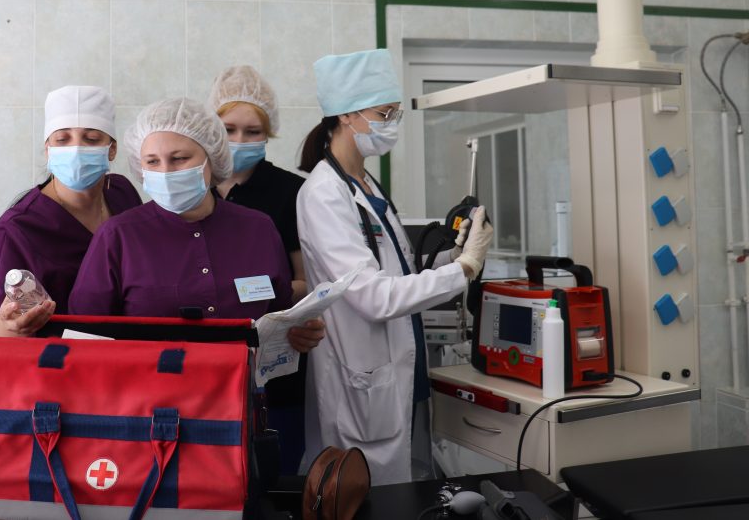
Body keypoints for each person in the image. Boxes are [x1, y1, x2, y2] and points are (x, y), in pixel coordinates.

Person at [296, 49, 493, 486]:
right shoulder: (324, 193)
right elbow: (373, 297)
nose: (392, 125)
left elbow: (397, 270)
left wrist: (455, 251)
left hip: (399, 369)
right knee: (366, 499)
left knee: (407, 491)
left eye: (395, 114)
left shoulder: (366, 184)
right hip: (361, 379)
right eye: (384, 114)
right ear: (346, 115)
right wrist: (464, 268)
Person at [68, 97, 324, 354]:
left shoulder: (258, 229)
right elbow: (85, 337)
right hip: (149, 380)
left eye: (179, 158)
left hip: (242, 378)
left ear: (211, 159)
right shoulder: (118, 236)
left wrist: (297, 335)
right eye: (152, 162)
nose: (166, 172)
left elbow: (277, 319)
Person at [0, 85, 141, 341]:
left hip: (127, 354)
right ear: (48, 150)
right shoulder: (16, 229)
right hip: (57, 360)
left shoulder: (122, 194)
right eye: (63, 140)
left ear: (112, 149)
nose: (76, 149)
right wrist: (12, 325)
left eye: (91, 139)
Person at [207, 65, 309, 474]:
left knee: (274, 473)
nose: (239, 140)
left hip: (275, 363)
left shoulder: (290, 192)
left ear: (269, 134)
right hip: (210, 361)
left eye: (253, 132)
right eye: (229, 129)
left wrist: (258, 291)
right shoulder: (194, 188)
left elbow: (305, 281)